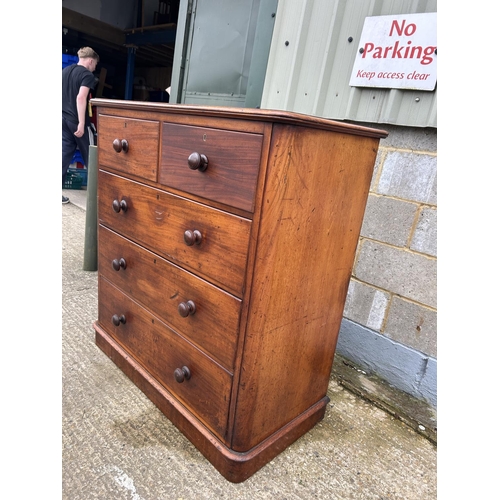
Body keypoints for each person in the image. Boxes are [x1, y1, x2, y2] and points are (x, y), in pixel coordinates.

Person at [62, 47, 99, 204]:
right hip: (77, 122)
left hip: (63, 119)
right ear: (90, 60)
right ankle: (97, 196)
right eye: (95, 64)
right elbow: (81, 97)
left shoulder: (65, 71)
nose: (95, 68)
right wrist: (82, 123)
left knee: (63, 155)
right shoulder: (87, 75)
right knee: (92, 155)